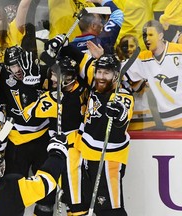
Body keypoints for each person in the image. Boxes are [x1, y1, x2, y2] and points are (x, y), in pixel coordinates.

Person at [24, 56, 88, 215]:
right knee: (67, 196)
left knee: (70, 196)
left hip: (66, 150)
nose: (52, 78)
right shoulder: (82, 86)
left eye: (56, 75)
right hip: (73, 148)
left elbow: (28, 113)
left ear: (68, 78)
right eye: (52, 74)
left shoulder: (54, 99)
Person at [75, 54, 134, 216]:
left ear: (116, 75)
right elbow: (79, 59)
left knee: (111, 210)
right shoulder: (96, 83)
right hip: (89, 156)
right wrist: (61, 44)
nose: (101, 77)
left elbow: (123, 114)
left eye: (106, 73)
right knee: (99, 208)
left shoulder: (122, 95)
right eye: (99, 72)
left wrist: (118, 113)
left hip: (108, 160)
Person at [126, 20, 182, 130]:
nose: (147, 39)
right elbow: (118, 71)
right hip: (169, 122)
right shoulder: (142, 58)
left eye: (150, 35)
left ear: (160, 35)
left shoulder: (178, 51)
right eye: (144, 35)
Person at [116, 34, 156, 130]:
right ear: (121, 48)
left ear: (137, 47)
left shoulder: (143, 63)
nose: (129, 49)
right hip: (131, 112)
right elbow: (136, 88)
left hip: (146, 112)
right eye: (125, 47)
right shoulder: (121, 65)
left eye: (132, 46)